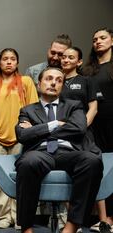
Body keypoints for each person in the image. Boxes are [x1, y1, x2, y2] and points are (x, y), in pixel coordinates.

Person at [15, 67, 103, 233]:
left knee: (91, 160)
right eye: (48, 78)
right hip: (40, 153)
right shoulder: (27, 110)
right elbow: (22, 135)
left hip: (68, 153)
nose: (53, 82)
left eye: (59, 80)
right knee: (28, 161)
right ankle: (26, 228)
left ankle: (71, 226)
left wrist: (37, 130)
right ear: (39, 83)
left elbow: (79, 128)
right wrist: (54, 124)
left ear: (62, 86)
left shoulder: (74, 105)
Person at [0, 48, 38, 229]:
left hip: (20, 136)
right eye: (5, 59)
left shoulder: (26, 81)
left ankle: (19, 216)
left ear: (17, 62)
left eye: (13, 59)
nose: (9, 62)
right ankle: (4, 215)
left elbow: (34, 108)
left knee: (20, 175)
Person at [82, 27, 113, 228]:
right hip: (94, 125)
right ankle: (104, 218)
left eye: (102, 38)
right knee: (101, 166)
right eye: (94, 39)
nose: (98, 42)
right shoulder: (87, 70)